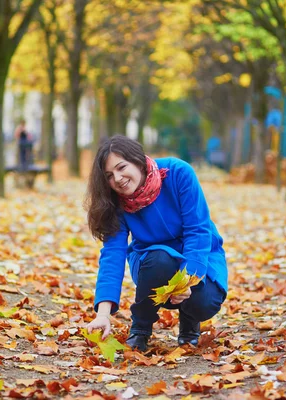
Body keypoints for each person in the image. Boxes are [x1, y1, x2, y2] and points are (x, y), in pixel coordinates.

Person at [84, 135, 228, 352]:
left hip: (199, 255)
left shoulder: (178, 172)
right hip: (152, 261)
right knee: (159, 258)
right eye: (110, 176)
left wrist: (187, 281)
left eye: (122, 167)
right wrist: (103, 313)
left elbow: (197, 230)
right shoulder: (116, 200)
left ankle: (190, 323)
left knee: (205, 302)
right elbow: (113, 254)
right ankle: (140, 329)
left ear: (138, 160)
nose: (118, 178)